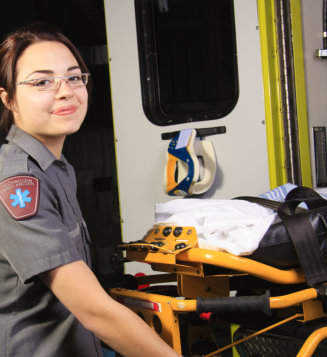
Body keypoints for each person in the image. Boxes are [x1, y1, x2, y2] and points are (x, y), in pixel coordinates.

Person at [0, 22, 181, 357]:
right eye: (42, 81)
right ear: (9, 98)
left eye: (73, 76)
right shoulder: (17, 183)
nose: (65, 91)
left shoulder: (56, 167)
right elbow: (96, 312)